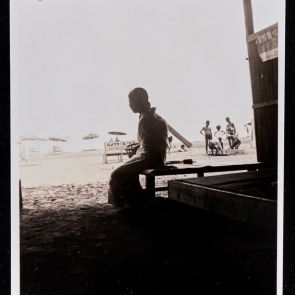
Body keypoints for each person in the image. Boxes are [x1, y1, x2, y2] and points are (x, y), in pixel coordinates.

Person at [108, 87, 169, 208]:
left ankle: (132, 203)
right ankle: (136, 200)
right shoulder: (152, 116)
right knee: (127, 171)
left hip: (152, 158)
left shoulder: (146, 119)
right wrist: (138, 148)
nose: (129, 105)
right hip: (157, 156)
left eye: (131, 101)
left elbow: (152, 149)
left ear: (139, 101)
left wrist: (138, 151)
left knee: (116, 174)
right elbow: (153, 142)